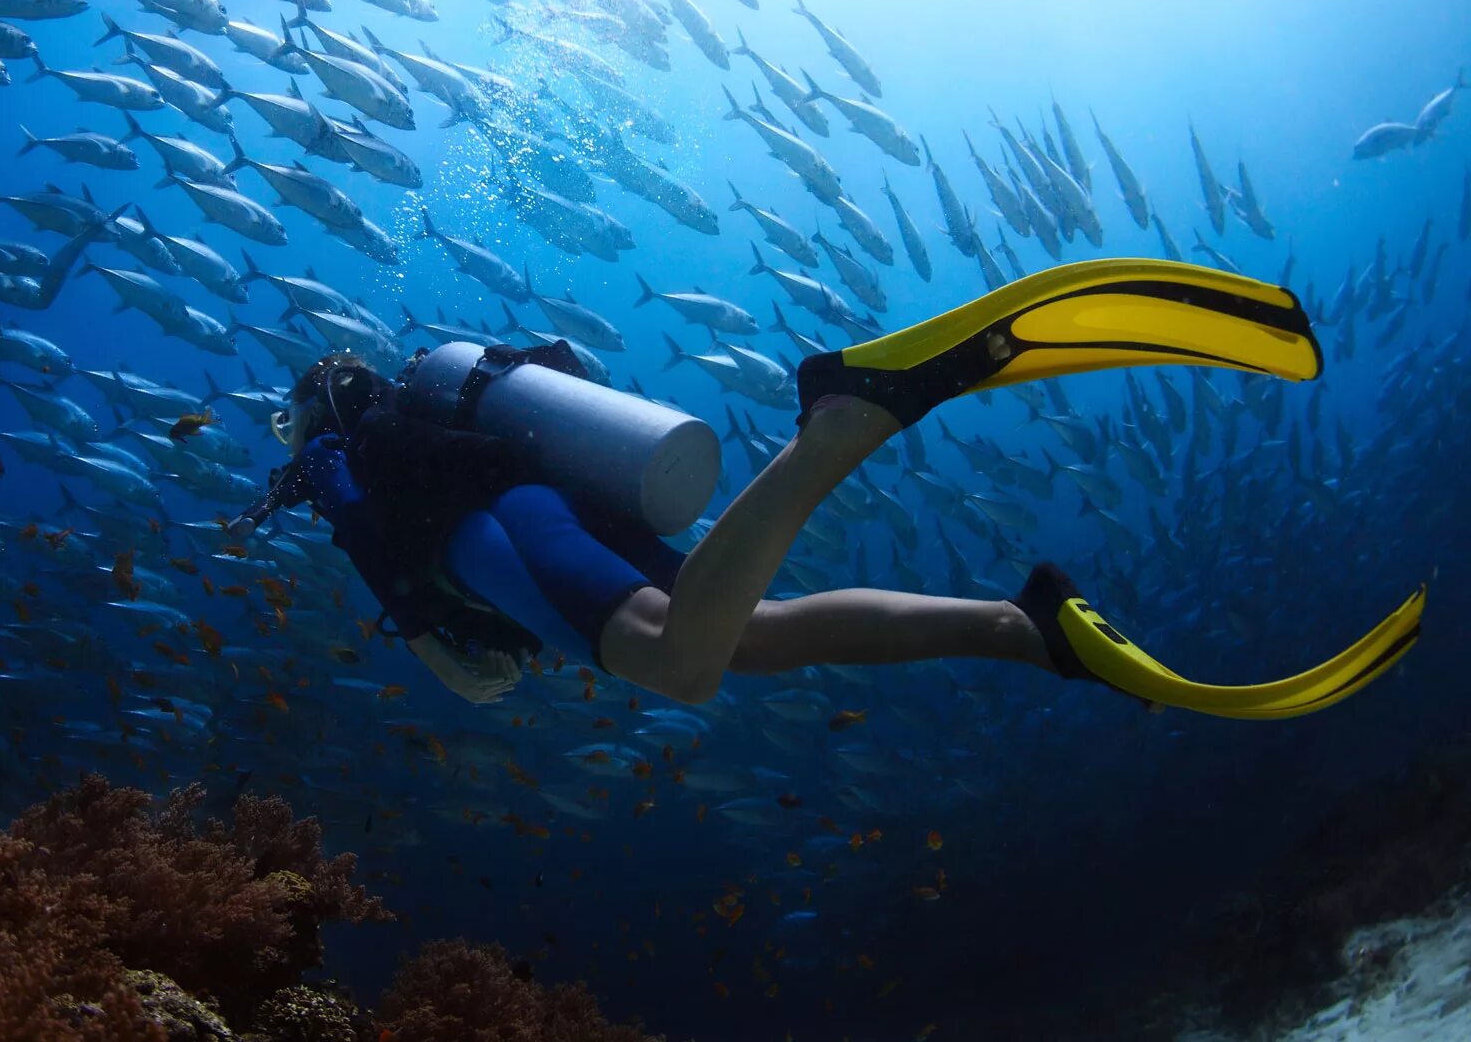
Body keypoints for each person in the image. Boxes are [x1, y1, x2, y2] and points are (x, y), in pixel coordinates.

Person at [242, 260, 1424, 718]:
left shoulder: (334, 462)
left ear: (309, 411)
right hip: (560, 506)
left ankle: (844, 421)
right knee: (758, 634)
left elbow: (464, 663)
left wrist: (469, 649)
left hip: (498, 533)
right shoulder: (423, 408)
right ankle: (1025, 628)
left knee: (676, 662)